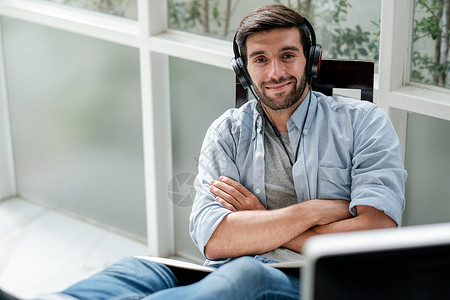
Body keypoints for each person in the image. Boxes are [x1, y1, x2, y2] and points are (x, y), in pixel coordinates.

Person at [36, 4, 406, 300]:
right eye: (260, 59)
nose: (276, 72)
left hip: (314, 282)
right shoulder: (227, 131)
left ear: (311, 60)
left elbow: (375, 231)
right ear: (244, 71)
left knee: (245, 275)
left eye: (288, 55)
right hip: (223, 270)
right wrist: (311, 212)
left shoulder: (364, 123)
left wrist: (261, 221)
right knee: (135, 269)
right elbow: (214, 240)